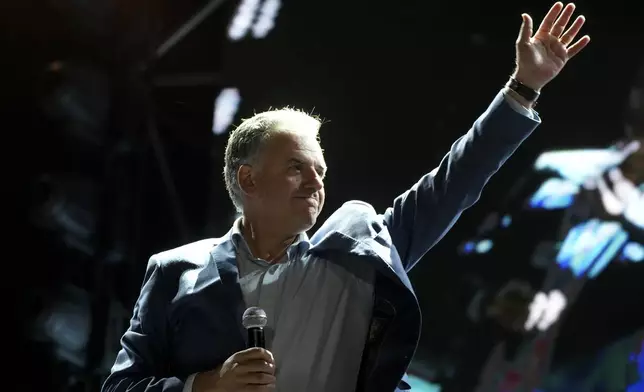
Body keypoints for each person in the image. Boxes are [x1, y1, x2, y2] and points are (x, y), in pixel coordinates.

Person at [102, 3, 590, 392]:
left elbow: (452, 184)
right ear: (247, 180)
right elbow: (122, 386)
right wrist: (203, 386)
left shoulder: (356, 254)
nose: (317, 183)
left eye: (321, 170)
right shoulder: (175, 271)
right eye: (297, 168)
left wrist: (522, 89)